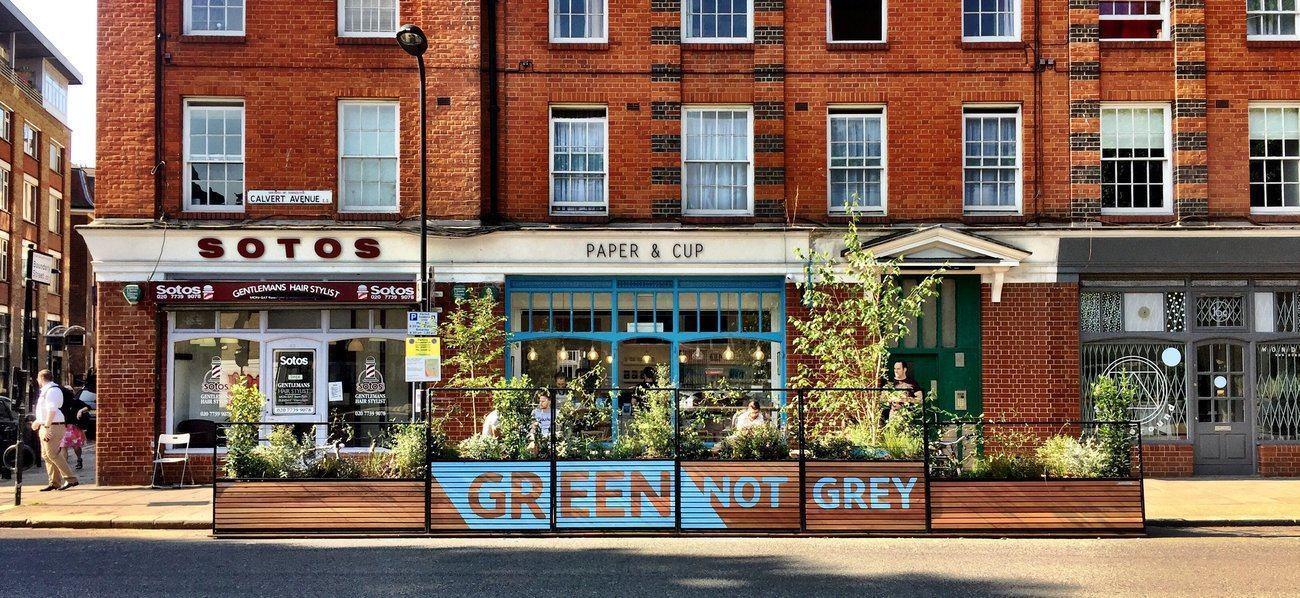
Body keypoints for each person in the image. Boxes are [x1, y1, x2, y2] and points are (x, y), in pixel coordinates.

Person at [31, 369, 77, 491]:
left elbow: (52, 410)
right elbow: (46, 411)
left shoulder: (52, 391)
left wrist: (46, 427)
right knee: (46, 455)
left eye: (38, 378)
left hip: (53, 426)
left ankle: (71, 479)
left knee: (52, 454)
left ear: (41, 378)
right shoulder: (46, 391)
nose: (37, 381)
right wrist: (38, 421)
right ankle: (54, 482)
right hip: (48, 424)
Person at [883, 361, 925, 427]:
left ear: (904, 369)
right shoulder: (889, 383)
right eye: (895, 369)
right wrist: (892, 399)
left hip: (907, 415)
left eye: (898, 369)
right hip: (892, 415)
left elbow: (920, 400)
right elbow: (882, 399)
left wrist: (905, 399)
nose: (896, 371)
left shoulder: (912, 383)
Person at [59, 389, 93, 470]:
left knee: (76, 446)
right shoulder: (60, 402)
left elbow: (88, 407)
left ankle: (79, 458)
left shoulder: (75, 401)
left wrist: (80, 411)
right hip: (63, 427)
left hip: (74, 427)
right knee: (63, 446)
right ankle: (64, 467)